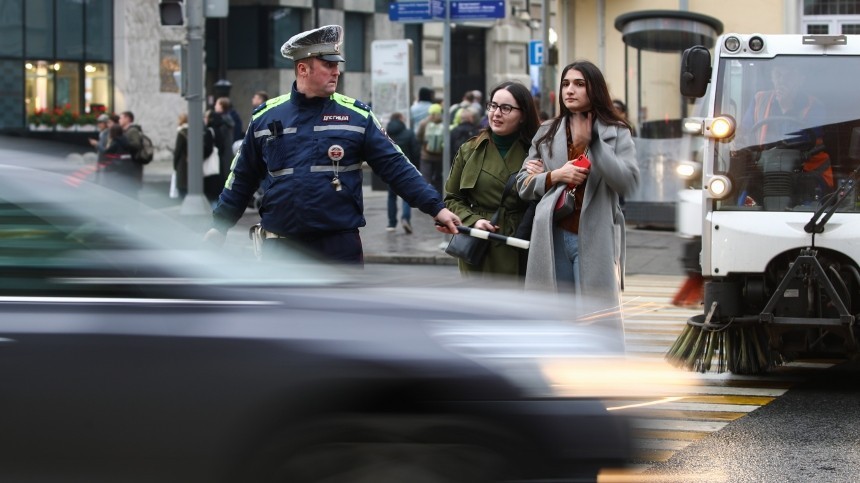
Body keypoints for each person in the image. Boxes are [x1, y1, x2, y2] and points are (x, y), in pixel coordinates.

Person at [204, 25, 460, 264]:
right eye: (328, 65)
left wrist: (436, 208)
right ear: (303, 69)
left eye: (337, 64)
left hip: (338, 248)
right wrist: (220, 225)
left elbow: (396, 166)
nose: (336, 71)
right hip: (280, 251)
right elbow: (241, 177)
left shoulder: (357, 116)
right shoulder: (266, 116)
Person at [516, 60, 639, 306]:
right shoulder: (547, 131)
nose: (569, 90)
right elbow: (522, 184)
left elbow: (628, 182)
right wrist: (554, 176)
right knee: (557, 317)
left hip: (594, 234)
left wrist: (594, 143)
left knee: (593, 317)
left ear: (594, 89)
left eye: (579, 84)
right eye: (565, 84)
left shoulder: (617, 131)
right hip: (552, 234)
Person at [444, 81, 540, 278]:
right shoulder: (470, 150)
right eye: (493, 106)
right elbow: (451, 198)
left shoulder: (537, 151)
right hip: (479, 244)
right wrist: (474, 221)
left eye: (506, 108)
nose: (496, 114)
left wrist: (543, 178)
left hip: (521, 242)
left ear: (523, 115)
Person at [741, 63, 834, 206]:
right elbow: (745, 130)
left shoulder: (815, 106)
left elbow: (804, 139)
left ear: (800, 80)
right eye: (778, 75)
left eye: (788, 77)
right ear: (772, 77)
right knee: (741, 194)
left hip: (805, 169)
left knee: (812, 203)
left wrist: (787, 105)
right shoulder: (759, 99)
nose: (781, 81)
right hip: (764, 165)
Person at [385, 112, 420, 234]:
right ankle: (405, 218)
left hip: (389, 168)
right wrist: (416, 166)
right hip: (406, 168)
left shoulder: (385, 133)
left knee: (391, 196)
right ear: (400, 119)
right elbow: (415, 151)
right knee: (406, 195)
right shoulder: (409, 133)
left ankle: (391, 224)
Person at [416, 103, 446, 195]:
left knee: (426, 179)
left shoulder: (423, 123)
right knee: (439, 179)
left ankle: (428, 199)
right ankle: (439, 199)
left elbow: (418, 137)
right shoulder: (444, 123)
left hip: (426, 155)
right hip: (439, 156)